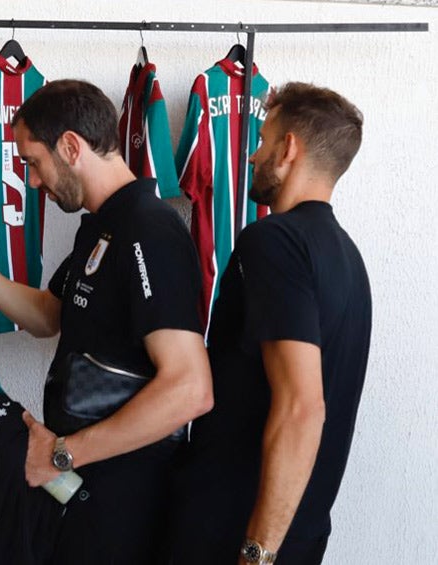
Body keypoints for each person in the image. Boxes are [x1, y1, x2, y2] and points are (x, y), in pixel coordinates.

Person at [0, 79, 213, 563]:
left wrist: (62, 454)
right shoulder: (103, 226)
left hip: (126, 503)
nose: (33, 181)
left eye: (33, 162)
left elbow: (191, 390)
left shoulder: (149, 230)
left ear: (71, 146)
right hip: (80, 494)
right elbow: (47, 315)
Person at [167, 83, 371, 564]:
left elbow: (303, 408)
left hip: (238, 536)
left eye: (262, 139)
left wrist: (256, 553)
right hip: (298, 535)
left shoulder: (273, 242)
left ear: (289, 149)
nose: (253, 155)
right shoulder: (348, 258)